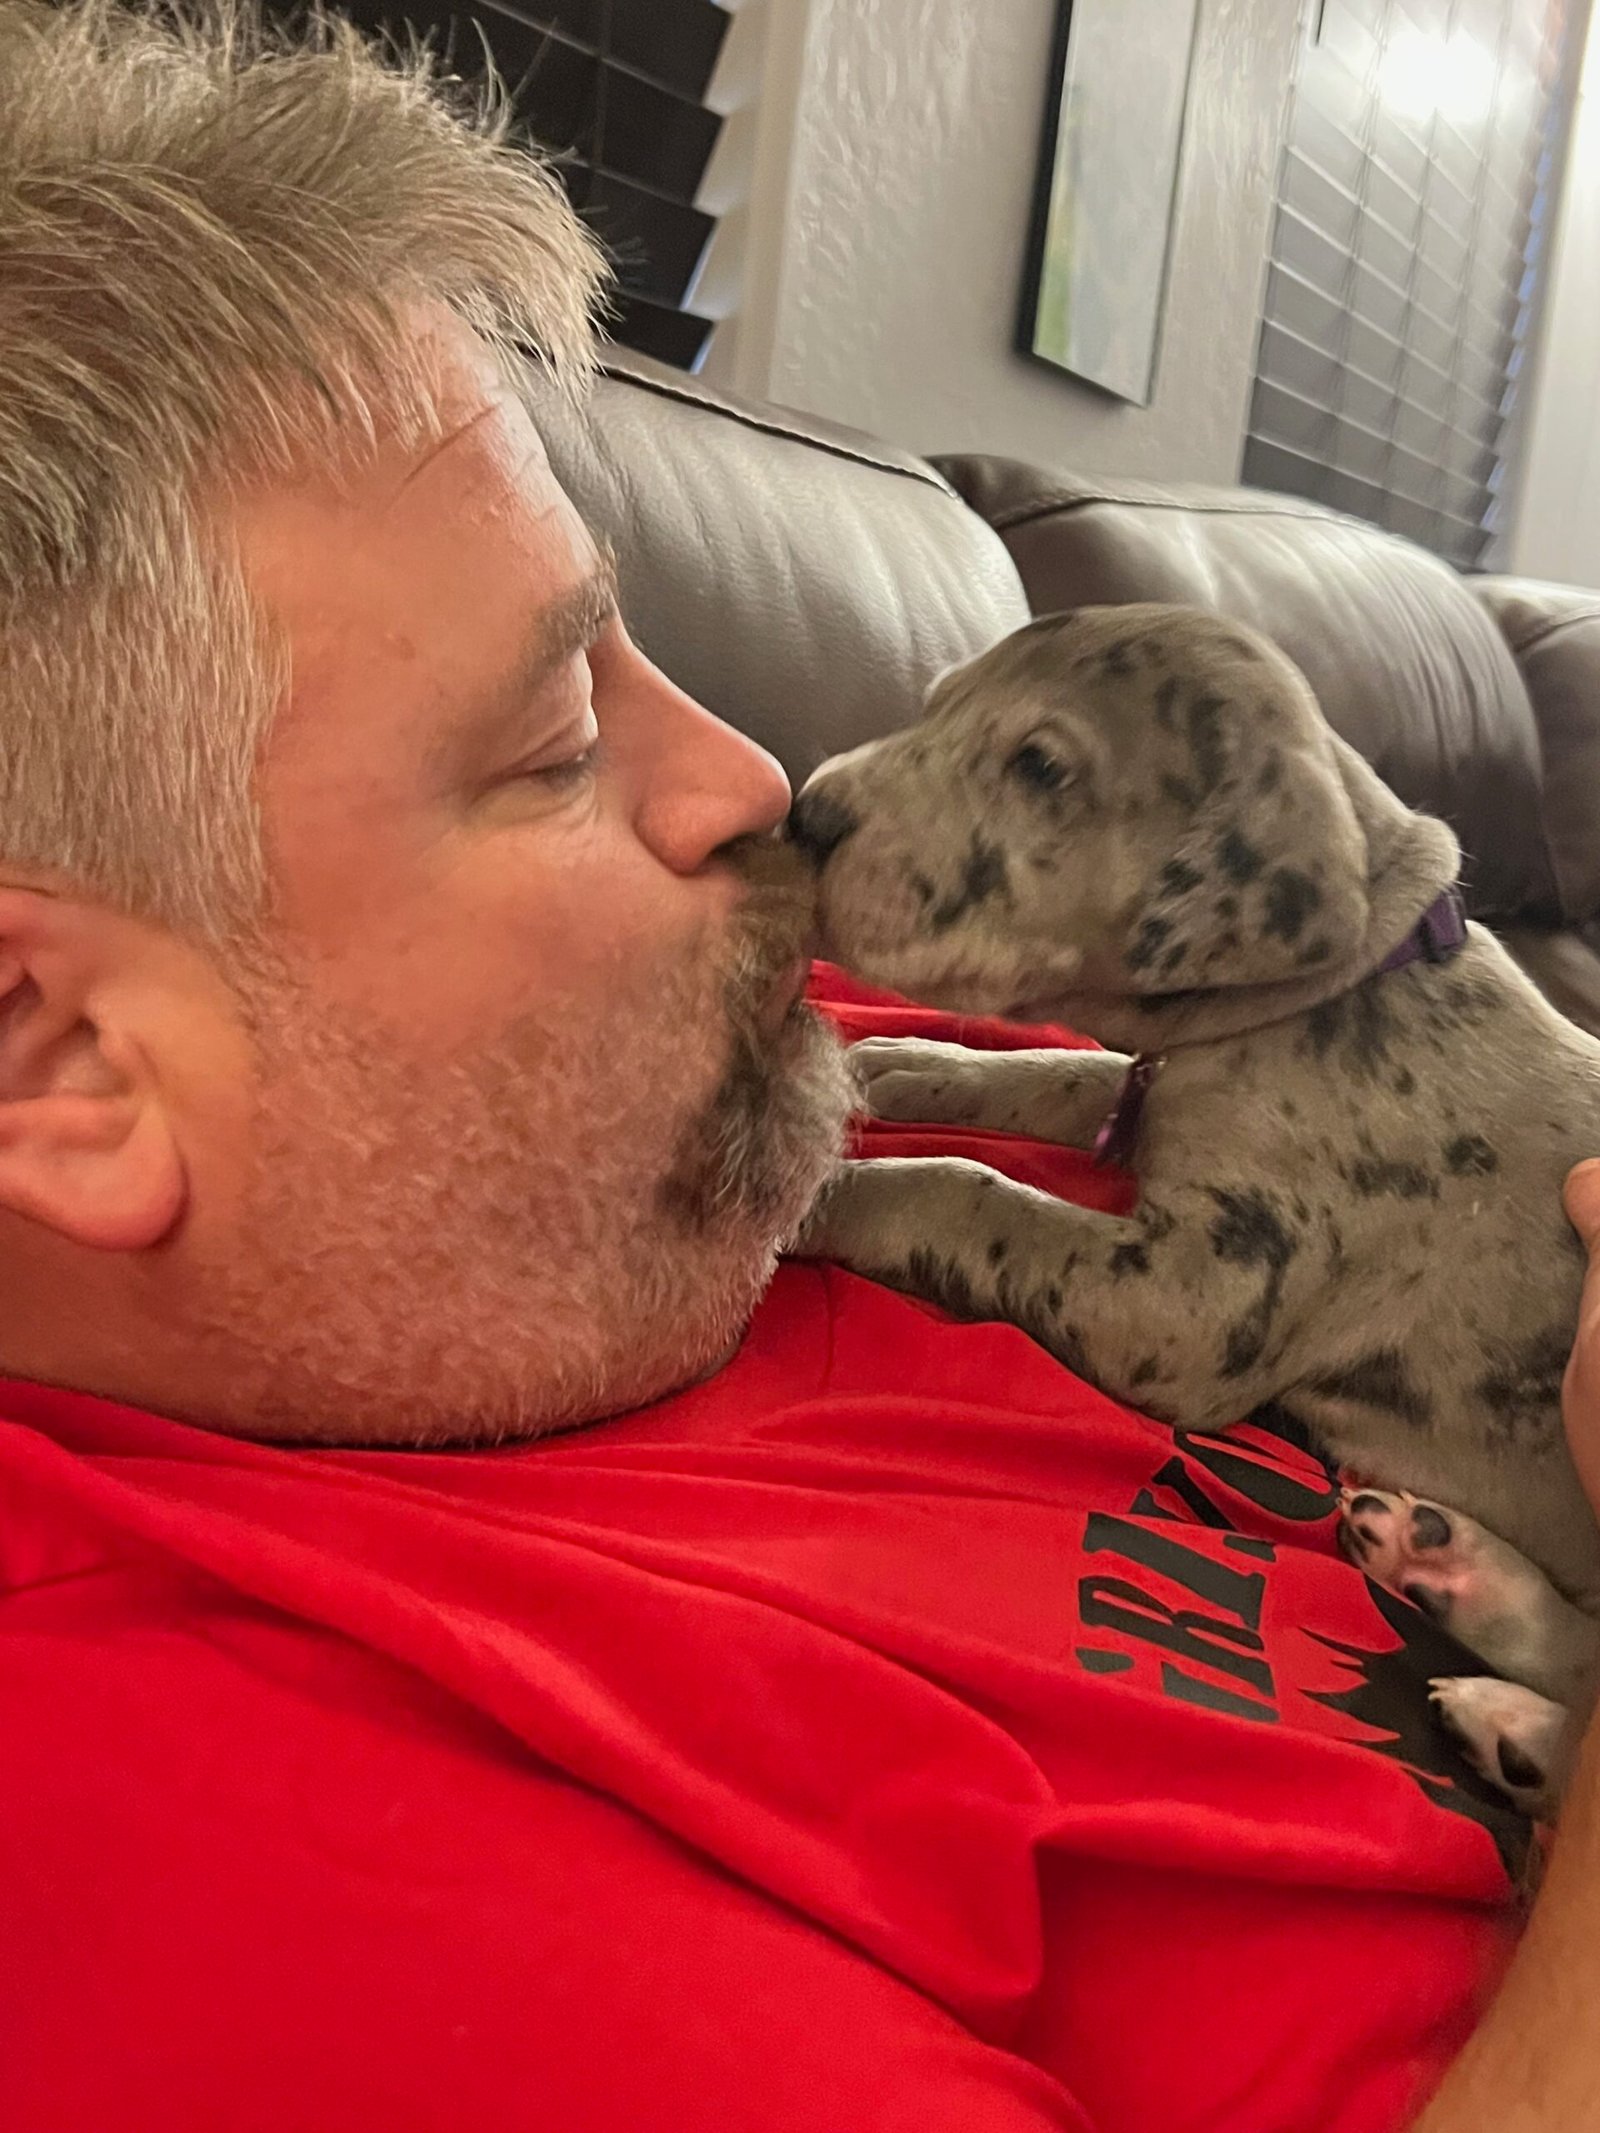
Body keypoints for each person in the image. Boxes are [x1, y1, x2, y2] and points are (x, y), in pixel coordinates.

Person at [0, 4, 1596, 2127]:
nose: (753, 772)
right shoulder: (287, 1838)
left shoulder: (725, 1053)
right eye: (555, 739)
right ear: (62, 1059)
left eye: (637, 644)